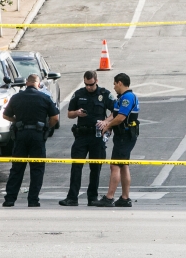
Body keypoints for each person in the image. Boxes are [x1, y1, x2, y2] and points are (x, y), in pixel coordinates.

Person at [2, 74, 59, 207]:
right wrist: (46, 127)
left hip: (21, 135)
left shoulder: (16, 97)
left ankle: (10, 199)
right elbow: (55, 117)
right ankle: (33, 200)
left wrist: (17, 121)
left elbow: (5, 115)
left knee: (17, 168)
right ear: (38, 84)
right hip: (37, 136)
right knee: (37, 169)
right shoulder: (44, 97)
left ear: (27, 83)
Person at [59, 71, 113, 207]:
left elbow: (116, 111)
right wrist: (76, 113)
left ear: (96, 80)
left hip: (97, 136)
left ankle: (92, 197)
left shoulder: (104, 94)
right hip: (81, 135)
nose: (89, 87)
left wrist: (106, 121)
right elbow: (69, 113)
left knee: (96, 168)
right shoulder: (79, 94)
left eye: (91, 84)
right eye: (86, 84)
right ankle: (72, 197)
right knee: (76, 166)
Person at [96, 73, 139, 207]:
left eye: (114, 84)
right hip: (122, 135)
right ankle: (125, 198)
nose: (114, 87)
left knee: (115, 165)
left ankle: (109, 198)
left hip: (125, 136)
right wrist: (105, 122)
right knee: (123, 165)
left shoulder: (127, 98)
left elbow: (120, 117)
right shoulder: (121, 98)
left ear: (120, 83)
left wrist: (108, 126)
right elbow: (114, 114)